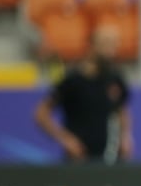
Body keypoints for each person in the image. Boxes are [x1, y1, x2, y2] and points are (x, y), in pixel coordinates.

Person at [35, 26, 133, 164]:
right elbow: (41, 113)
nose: (111, 50)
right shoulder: (73, 80)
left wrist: (125, 136)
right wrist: (65, 139)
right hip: (78, 159)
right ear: (91, 46)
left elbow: (121, 109)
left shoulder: (115, 78)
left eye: (114, 44)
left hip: (110, 158)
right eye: (106, 44)